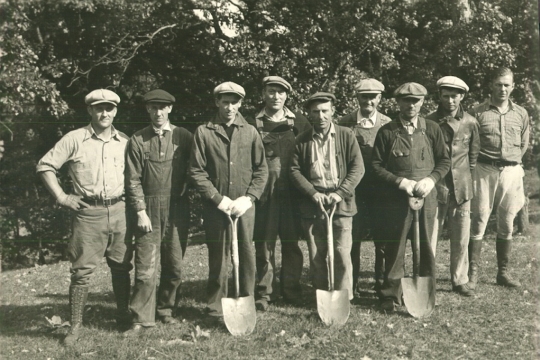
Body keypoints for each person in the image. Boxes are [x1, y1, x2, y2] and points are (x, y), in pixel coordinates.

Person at [36, 89, 132, 345]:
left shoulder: (124, 140)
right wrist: (62, 197)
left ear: (115, 111)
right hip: (88, 214)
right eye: (99, 108)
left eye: (109, 108)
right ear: (90, 110)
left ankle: (124, 316)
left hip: (120, 210)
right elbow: (45, 165)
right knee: (81, 273)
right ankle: (75, 325)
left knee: (121, 266)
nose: (104, 113)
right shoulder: (75, 139)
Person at [189, 82, 268, 320]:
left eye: (235, 102)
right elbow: (196, 171)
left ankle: (246, 299)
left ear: (241, 103)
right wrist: (216, 198)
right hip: (217, 206)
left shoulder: (250, 131)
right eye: (225, 102)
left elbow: (261, 170)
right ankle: (215, 305)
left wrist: (250, 197)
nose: (230, 107)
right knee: (219, 255)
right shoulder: (204, 131)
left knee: (245, 253)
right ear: (217, 103)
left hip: (244, 206)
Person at [371, 83, 450, 312]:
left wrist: (431, 180)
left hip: (426, 196)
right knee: (395, 247)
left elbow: (444, 161)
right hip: (396, 199)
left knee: (425, 245)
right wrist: (401, 182)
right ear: (398, 102)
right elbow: (376, 166)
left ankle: (425, 292)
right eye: (406, 100)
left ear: (423, 102)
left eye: (416, 100)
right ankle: (390, 295)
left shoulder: (432, 129)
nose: (411, 105)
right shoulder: (387, 131)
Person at [123, 89, 193, 335]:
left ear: (170, 109)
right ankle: (141, 318)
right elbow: (132, 180)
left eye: (163, 107)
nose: (158, 112)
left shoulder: (183, 137)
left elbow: (195, 168)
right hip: (149, 209)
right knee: (145, 267)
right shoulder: (138, 140)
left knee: (174, 265)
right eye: (153, 107)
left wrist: (186, 190)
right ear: (148, 110)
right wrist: (140, 210)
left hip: (177, 208)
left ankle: (165, 310)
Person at [290, 92, 364, 301]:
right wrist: (312, 193)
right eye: (316, 112)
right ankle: (323, 295)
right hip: (313, 204)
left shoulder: (346, 135)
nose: (321, 116)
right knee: (317, 253)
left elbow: (358, 168)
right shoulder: (302, 140)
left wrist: (340, 193)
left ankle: (343, 297)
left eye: (325, 111)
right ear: (310, 114)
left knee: (341, 252)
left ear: (332, 112)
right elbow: (294, 171)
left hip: (341, 203)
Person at [248, 76, 312, 310]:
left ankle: (292, 290)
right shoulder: (252, 123)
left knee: (291, 243)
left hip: (293, 192)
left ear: (287, 96)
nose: (276, 96)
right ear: (263, 94)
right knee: (264, 244)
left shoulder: (301, 123)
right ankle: (265, 293)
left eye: (281, 92)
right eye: (271, 91)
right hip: (264, 194)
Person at [468, 67, 529, 289]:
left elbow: (523, 144)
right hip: (484, 170)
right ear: (491, 86)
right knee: (479, 219)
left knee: (507, 221)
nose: (502, 89)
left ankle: (502, 272)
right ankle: (472, 273)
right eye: (498, 84)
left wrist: (512, 163)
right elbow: (470, 144)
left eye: (506, 84)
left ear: (513, 87)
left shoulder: (521, 113)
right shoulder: (477, 112)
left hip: (511, 171)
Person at [426, 76, 480, 296]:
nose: (450, 101)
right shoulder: (429, 122)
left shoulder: (470, 122)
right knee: (431, 235)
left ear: (462, 96)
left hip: (462, 186)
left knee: (461, 235)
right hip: (437, 185)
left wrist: (466, 179)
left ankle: (459, 279)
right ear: (439, 96)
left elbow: (473, 156)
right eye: (446, 96)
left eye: (454, 96)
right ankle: (426, 276)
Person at [338, 78, 391, 294]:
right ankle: (352, 283)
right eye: (364, 96)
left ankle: (381, 282)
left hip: (380, 190)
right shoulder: (345, 122)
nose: (368, 101)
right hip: (354, 191)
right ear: (357, 98)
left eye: (373, 97)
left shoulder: (388, 124)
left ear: (379, 99)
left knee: (383, 238)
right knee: (353, 237)